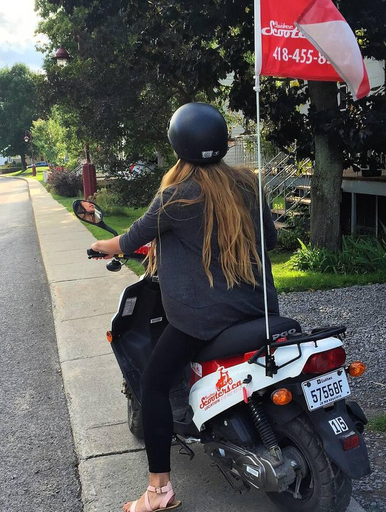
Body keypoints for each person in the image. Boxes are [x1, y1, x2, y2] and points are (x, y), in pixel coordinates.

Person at [89, 103, 279, 512]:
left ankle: (159, 492)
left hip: (203, 321)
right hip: (260, 308)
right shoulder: (249, 184)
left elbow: (127, 241)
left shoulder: (177, 196)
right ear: (222, 142)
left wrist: (97, 244)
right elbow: (270, 242)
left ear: (178, 144)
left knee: (153, 385)